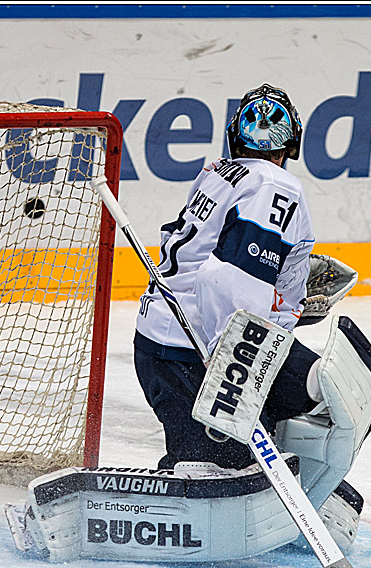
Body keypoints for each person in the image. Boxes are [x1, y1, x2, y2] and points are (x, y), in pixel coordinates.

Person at [133, 83, 322, 471]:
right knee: (214, 472)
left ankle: (273, 471)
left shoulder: (222, 174)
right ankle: (210, 474)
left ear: (235, 138)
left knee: (328, 388)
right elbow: (227, 278)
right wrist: (234, 372)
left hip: (170, 341)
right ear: (294, 142)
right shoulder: (274, 184)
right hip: (192, 353)